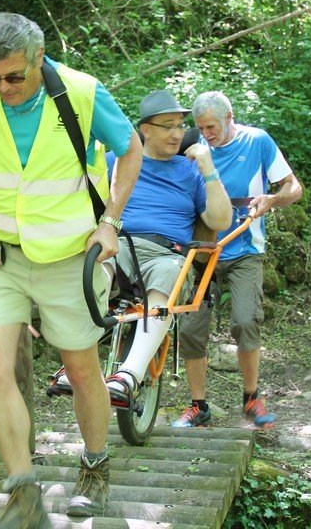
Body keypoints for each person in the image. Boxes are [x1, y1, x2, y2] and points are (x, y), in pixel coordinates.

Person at [0, 12, 142, 527]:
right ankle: (23, 491)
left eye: (14, 76)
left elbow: (132, 151)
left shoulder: (81, 93)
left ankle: (95, 466)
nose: (4, 87)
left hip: (69, 256)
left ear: (40, 58)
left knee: (82, 371)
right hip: (0, 253)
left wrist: (109, 223)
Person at [173, 91, 302, 429]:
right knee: (190, 328)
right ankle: (198, 405)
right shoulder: (191, 143)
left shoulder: (256, 141)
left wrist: (271, 200)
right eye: (201, 127)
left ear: (230, 117)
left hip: (244, 248)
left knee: (245, 321)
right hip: (200, 249)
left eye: (212, 126)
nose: (207, 133)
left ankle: (252, 398)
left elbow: (293, 187)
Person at [100, 90, 232, 403]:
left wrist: (208, 170)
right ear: (146, 130)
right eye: (168, 126)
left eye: (181, 126)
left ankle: (128, 376)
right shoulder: (113, 162)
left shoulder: (190, 171)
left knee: (168, 278)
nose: (178, 134)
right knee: (93, 270)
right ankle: (74, 363)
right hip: (120, 243)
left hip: (167, 254)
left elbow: (221, 219)